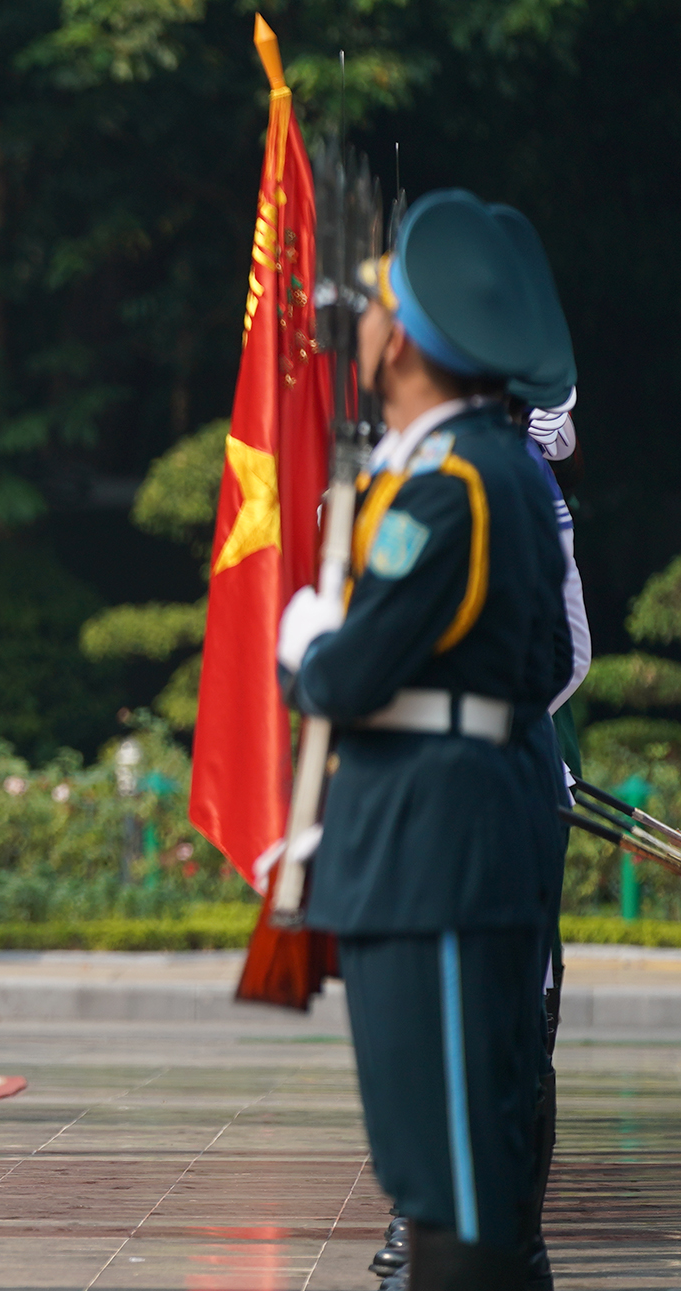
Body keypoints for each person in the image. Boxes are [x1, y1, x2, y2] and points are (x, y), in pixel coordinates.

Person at [277, 190, 573, 1288]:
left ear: (397, 338)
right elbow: (541, 664)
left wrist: (306, 642)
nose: (351, 319)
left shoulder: (447, 485)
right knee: (459, 1162)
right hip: (453, 827)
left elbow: (344, 674)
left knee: (445, 1167)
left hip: (432, 847)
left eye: (368, 302)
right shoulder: (493, 468)